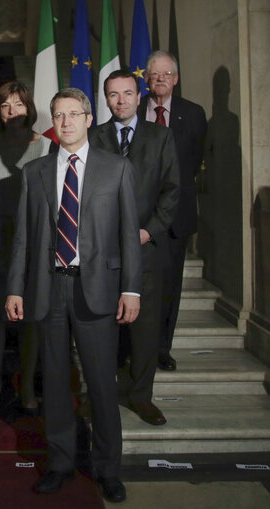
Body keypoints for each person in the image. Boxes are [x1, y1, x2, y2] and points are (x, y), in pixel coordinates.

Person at [5, 88, 141, 503]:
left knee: (101, 384)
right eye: (58, 115)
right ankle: (61, 463)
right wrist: (15, 287)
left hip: (98, 289)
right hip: (49, 288)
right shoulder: (35, 173)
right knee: (57, 386)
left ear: (88, 118)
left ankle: (108, 469)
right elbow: (24, 239)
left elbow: (129, 237)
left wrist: (131, 288)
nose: (65, 122)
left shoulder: (115, 169)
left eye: (73, 114)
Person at [89, 69, 180, 427]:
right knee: (105, 328)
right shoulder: (93, 137)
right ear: (106, 98)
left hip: (146, 247)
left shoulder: (161, 137)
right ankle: (104, 395)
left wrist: (148, 231)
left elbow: (172, 192)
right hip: (103, 251)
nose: (121, 100)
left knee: (143, 329)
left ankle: (141, 396)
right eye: (114, 94)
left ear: (139, 96)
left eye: (128, 93)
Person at [0, 81, 50, 416]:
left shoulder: (47, 147)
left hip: (34, 242)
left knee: (32, 318)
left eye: (18, 105)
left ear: (29, 109)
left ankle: (29, 388)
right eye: (5, 106)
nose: (12, 111)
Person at [139, 50, 207, 372]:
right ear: (146, 78)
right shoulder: (133, 110)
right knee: (136, 284)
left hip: (176, 218)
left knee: (170, 287)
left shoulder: (193, 114)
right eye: (155, 74)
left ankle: (162, 348)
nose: (161, 79)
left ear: (176, 79)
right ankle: (133, 348)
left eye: (167, 74)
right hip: (139, 220)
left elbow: (192, 163)